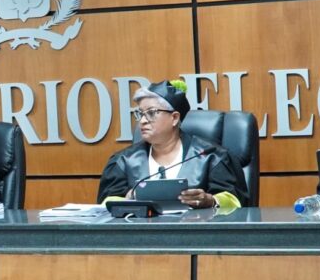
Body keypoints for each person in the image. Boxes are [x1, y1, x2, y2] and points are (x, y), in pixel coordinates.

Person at [97, 79, 248, 208]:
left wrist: (211, 200)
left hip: (196, 231)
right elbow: (105, 205)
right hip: (141, 232)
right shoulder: (124, 161)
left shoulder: (211, 157)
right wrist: (127, 199)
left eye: (151, 113)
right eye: (140, 114)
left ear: (174, 118)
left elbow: (236, 201)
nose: (142, 121)